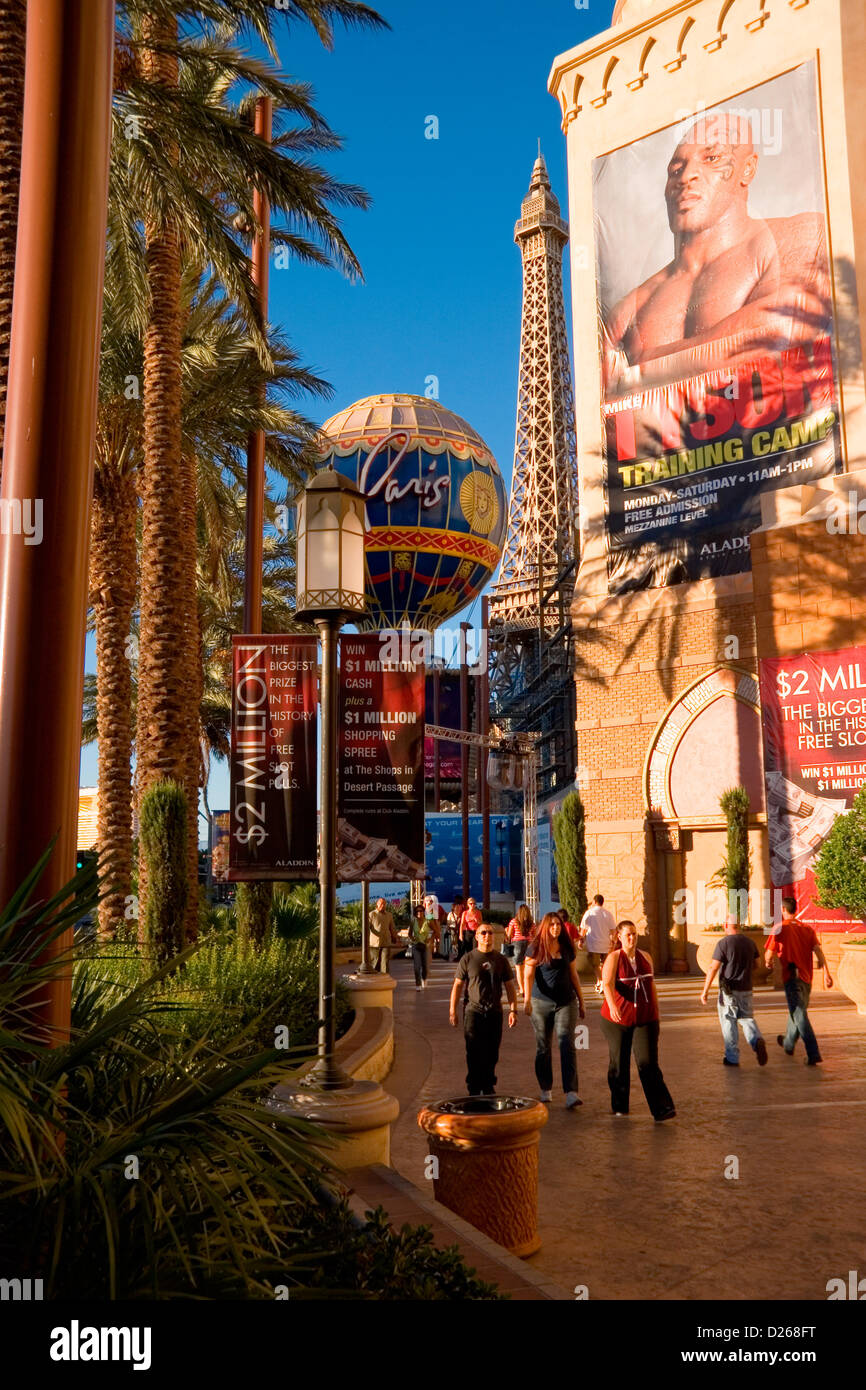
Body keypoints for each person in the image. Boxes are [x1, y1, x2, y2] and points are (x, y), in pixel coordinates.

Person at [603, 112, 832, 397]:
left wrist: (640, 368)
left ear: (747, 169)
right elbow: (604, 403)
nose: (686, 177)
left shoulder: (803, 233)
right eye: (676, 169)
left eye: (711, 159)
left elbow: (780, 329)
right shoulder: (631, 306)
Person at [600, 920, 676, 1121]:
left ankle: (661, 1108)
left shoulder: (646, 957)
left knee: (648, 1062)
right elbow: (607, 984)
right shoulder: (614, 958)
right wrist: (613, 1006)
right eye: (627, 935)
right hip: (617, 1020)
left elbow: (652, 987)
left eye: (634, 934)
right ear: (619, 937)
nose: (632, 938)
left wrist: (656, 1012)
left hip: (645, 1018)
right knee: (619, 1062)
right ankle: (620, 1106)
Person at [523, 912, 585, 1109]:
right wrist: (526, 1000)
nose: (555, 928)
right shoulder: (535, 948)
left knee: (567, 1043)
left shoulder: (567, 947)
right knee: (543, 1046)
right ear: (545, 927)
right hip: (540, 1003)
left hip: (566, 1002)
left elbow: (574, 975)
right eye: (551, 925)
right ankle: (545, 1088)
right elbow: (528, 975)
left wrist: (582, 1001)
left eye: (558, 924)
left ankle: (571, 1093)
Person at [449, 924, 519, 1096]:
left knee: (492, 1051)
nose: (487, 935)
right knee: (473, 1050)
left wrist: (513, 1010)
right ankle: (474, 1085)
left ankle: (488, 1084)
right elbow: (457, 985)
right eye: (483, 933)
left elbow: (510, 986)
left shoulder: (500, 960)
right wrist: (453, 1010)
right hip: (473, 1011)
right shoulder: (468, 959)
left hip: (494, 1011)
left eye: (490, 933)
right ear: (477, 937)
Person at [764, 895, 833, 1065]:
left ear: (783, 910)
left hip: (792, 977)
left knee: (799, 1014)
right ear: (795, 909)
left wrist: (767, 961)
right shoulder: (807, 929)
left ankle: (813, 1052)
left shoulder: (779, 928)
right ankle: (788, 1043)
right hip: (807, 978)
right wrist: (827, 973)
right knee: (797, 1010)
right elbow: (818, 952)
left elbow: (769, 952)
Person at [700, 917, 768, 1067]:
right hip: (746, 989)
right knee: (747, 1018)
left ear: (726, 926)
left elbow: (713, 968)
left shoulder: (723, 943)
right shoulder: (750, 943)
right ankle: (756, 1040)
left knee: (729, 1021)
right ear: (740, 926)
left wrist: (705, 990)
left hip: (728, 991)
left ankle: (732, 1058)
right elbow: (757, 964)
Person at [579, 894, 617, 994]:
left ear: (595, 901)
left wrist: (581, 940)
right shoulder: (608, 914)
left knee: (595, 965)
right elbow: (613, 930)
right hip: (605, 944)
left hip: (593, 944)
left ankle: (601, 981)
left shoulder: (589, 913)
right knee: (605, 965)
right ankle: (602, 983)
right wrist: (613, 942)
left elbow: (583, 929)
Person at [506, 903, 534, 997]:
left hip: (517, 944)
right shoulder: (531, 923)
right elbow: (534, 935)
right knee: (527, 967)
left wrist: (507, 933)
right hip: (529, 944)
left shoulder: (514, 921)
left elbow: (509, 935)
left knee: (519, 969)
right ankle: (527, 988)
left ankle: (522, 989)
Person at [369, 896, 398, 974]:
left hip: (386, 942)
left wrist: (394, 937)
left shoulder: (389, 915)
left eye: (384, 904)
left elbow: (392, 927)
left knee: (385, 961)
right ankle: (374, 979)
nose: (383, 906)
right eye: (381, 904)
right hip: (375, 943)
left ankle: (385, 977)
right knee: (375, 962)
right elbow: (367, 928)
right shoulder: (372, 914)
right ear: (377, 905)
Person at [409, 906, 433, 990]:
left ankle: (424, 979)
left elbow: (436, 931)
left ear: (424, 912)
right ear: (415, 913)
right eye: (417, 911)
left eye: (421, 911)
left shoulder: (428, 921)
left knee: (425, 966)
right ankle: (418, 984)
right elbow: (409, 933)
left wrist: (430, 939)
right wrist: (412, 938)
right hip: (416, 945)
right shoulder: (413, 921)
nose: (419, 913)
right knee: (417, 966)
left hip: (425, 945)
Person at [423, 893, 445, 957]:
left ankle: (435, 953)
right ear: (424, 902)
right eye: (427, 900)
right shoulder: (421, 910)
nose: (429, 902)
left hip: (432, 929)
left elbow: (436, 921)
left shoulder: (434, 910)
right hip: (424, 930)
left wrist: (438, 931)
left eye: (430, 900)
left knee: (433, 942)